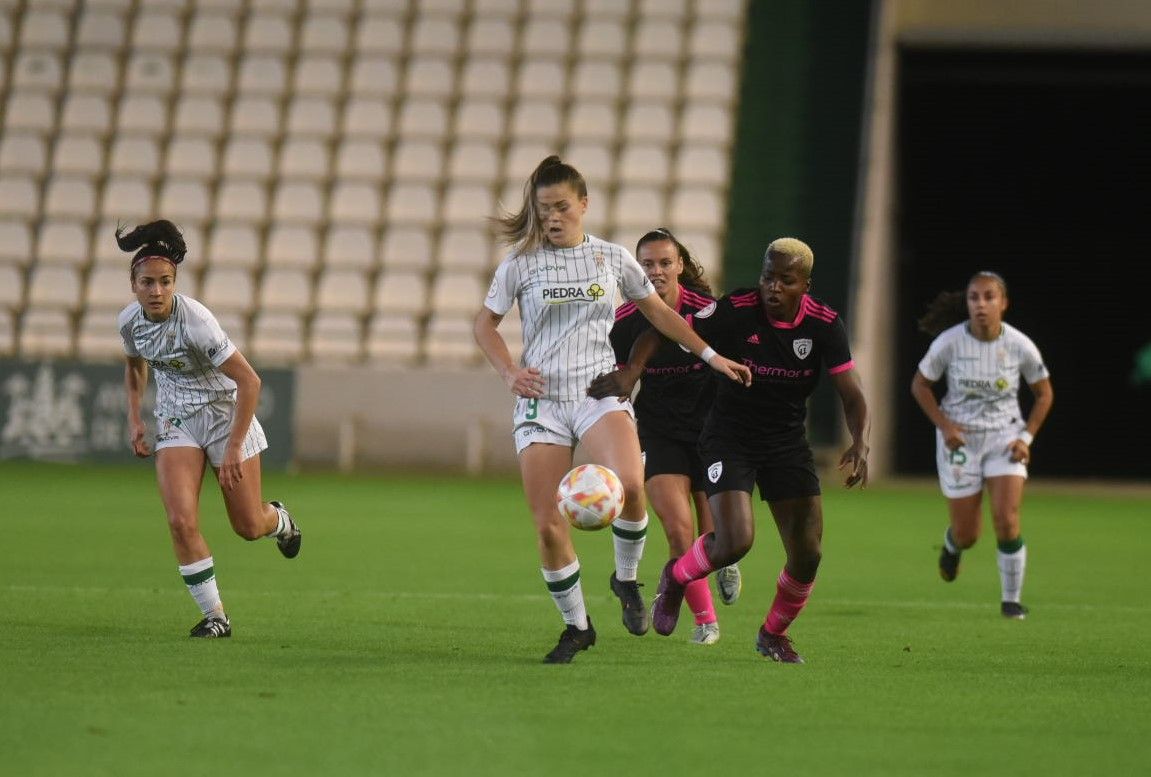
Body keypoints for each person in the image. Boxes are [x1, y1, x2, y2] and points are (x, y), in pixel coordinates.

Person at [473, 156, 752, 664]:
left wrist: (712, 357)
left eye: (562, 207)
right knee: (546, 524)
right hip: (542, 402)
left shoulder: (612, 258)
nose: (553, 217)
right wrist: (510, 373)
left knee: (629, 483)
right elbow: (484, 326)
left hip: (597, 391)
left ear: (584, 204)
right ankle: (577, 626)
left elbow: (662, 315)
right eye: (543, 209)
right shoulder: (520, 263)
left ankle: (626, 579)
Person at [591, 237, 869, 664]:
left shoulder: (824, 324)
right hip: (728, 435)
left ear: (806, 285)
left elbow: (851, 393)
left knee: (808, 553)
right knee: (735, 541)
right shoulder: (736, 310)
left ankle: (772, 634)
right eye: (767, 277)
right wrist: (632, 371)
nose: (773, 288)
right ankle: (678, 577)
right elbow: (663, 330)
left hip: (786, 442)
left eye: (786, 281)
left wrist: (860, 442)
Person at [117, 220, 302, 639]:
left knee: (248, 526)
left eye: (165, 282)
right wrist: (134, 417)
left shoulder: (196, 320)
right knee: (181, 521)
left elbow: (250, 381)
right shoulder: (130, 322)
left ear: (175, 283)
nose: (157, 291)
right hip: (176, 420)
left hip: (225, 417)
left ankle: (281, 520)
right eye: (147, 282)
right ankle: (216, 615)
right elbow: (134, 367)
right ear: (134, 285)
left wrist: (235, 447)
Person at [608, 227, 742, 646]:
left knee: (715, 538)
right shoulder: (625, 323)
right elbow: (616, 380)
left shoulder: (709, 313)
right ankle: (706, 622)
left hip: (711, 435)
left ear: (680, 265)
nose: (657, 271)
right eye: (647, 264)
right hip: (660, 433)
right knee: (679, 531)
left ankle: (726, 560)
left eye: (665, 263)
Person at [910, 271, 1053, 619]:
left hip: (1005, 437)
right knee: (968, 533)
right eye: (974, 297)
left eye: (989, 297)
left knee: (1007, 519)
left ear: (1003, 303)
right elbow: (920, 386)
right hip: (961, 440)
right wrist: (945, 426)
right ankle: (951, 545)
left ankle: (1011, 601)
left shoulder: (1019, 345)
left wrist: (1026, 437)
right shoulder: (949, 342)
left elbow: (1044, 393)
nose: (981, 304)